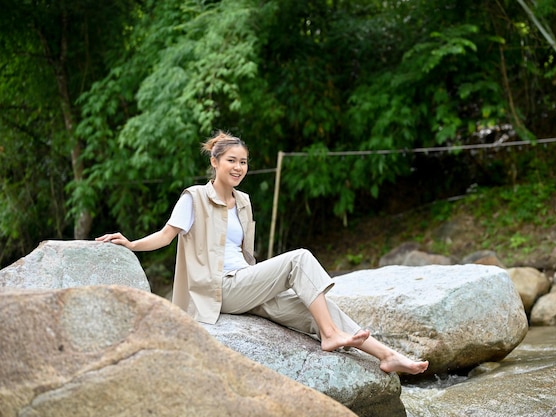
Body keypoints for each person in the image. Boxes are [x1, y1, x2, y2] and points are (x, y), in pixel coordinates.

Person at [97, 130, 428, 375]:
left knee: (312, 307)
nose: (239, 167)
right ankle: (331, 335)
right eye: (231, 161)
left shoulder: (243, 201)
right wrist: (131, 244)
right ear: (214, 162)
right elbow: (166, 236)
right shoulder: (193, 198)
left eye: (243, 162)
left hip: (245, 283)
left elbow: (245, 256)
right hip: (218, 288)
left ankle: (385, 355)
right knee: (298, 259)